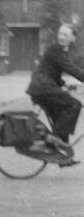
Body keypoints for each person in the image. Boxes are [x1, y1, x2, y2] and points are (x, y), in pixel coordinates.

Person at [27, 23, 84, 165]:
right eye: (60, 34)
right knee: (74, 105)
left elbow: (55, 75)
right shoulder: (55, 50)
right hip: (43, 88)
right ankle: (53, 138)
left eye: (65, 34)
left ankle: (64, 158)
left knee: (61, 117)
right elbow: (71, 69)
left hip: (41, 88)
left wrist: (68, 85)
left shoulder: (60, 52)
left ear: (73, 38)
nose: (61, 37)